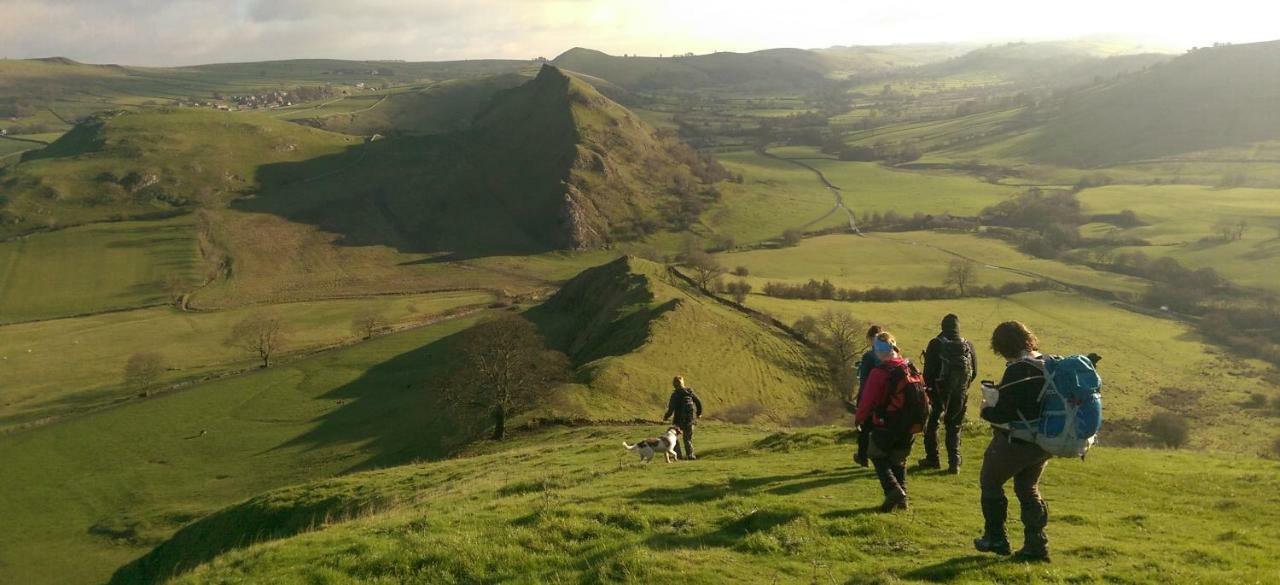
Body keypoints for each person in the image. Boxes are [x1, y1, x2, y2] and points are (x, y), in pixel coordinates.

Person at [974, 321, 1052, 562]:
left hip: (1018, 440)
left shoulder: (1018, 370)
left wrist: (986, 409)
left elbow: (1003, 413)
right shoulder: (1046, 364)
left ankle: (996, 538)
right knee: (1027, 488)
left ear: (1002, 346)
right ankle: (1036, 545)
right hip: (1043, 441)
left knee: (990, 480)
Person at [855, 332, 928, 512]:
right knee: (898, 460)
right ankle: (903, 502)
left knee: (877, 454)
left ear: (879, 351)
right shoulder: (909, 367)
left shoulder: (879, 373)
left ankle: (893, 490)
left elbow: (867, 400)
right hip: (910, 424)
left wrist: (859, 419)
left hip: (887, 422)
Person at [919, 313, 977, 473]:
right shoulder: (968, 345)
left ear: (942, 327)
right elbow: (975, 372)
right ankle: (954, 462)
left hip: (938, 391)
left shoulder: (936, 343)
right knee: (954, 426)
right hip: (960, 392)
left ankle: (933, 458)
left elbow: (928, 373)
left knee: (932, 424)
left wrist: (931, 392)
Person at [852, 324, 885, 467]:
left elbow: (864, 381)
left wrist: (861, 399)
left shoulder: (869, 356)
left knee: (865, 428)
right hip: (887, 398)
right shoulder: (890, 354)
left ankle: (863, 456)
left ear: (871, 338)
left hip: (870, 397)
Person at [662, 375, 703, 460]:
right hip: (690, 420)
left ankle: (678, 456)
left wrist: (666, 417)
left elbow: (671, 409)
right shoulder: (690, 392)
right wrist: (699, 413)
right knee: (687, 439)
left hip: (678, 421)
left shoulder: (675, 395)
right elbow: (699, 403)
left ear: (674, 384)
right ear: (683, 383)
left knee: (674, 438)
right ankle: (691, 456)